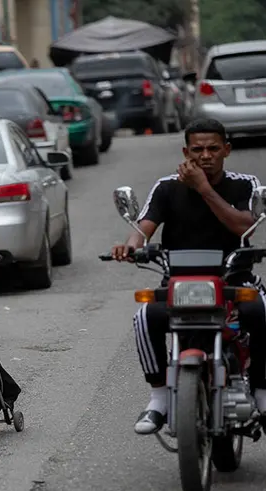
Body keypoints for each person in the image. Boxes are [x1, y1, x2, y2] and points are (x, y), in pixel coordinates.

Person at [110, 118, 266, 435]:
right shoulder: (167, 187)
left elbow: (242, 226)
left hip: (235, 280)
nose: (205, 155)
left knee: (260, 311)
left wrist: (204, 189)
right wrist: (130, 247)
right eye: (198, 149)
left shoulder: (243, 184)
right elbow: (143, 228)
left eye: (213, 148)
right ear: (186, 151)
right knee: (145, 316)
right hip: (179, 285)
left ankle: (262, 392)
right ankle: (159, 397)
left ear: (227, 150)